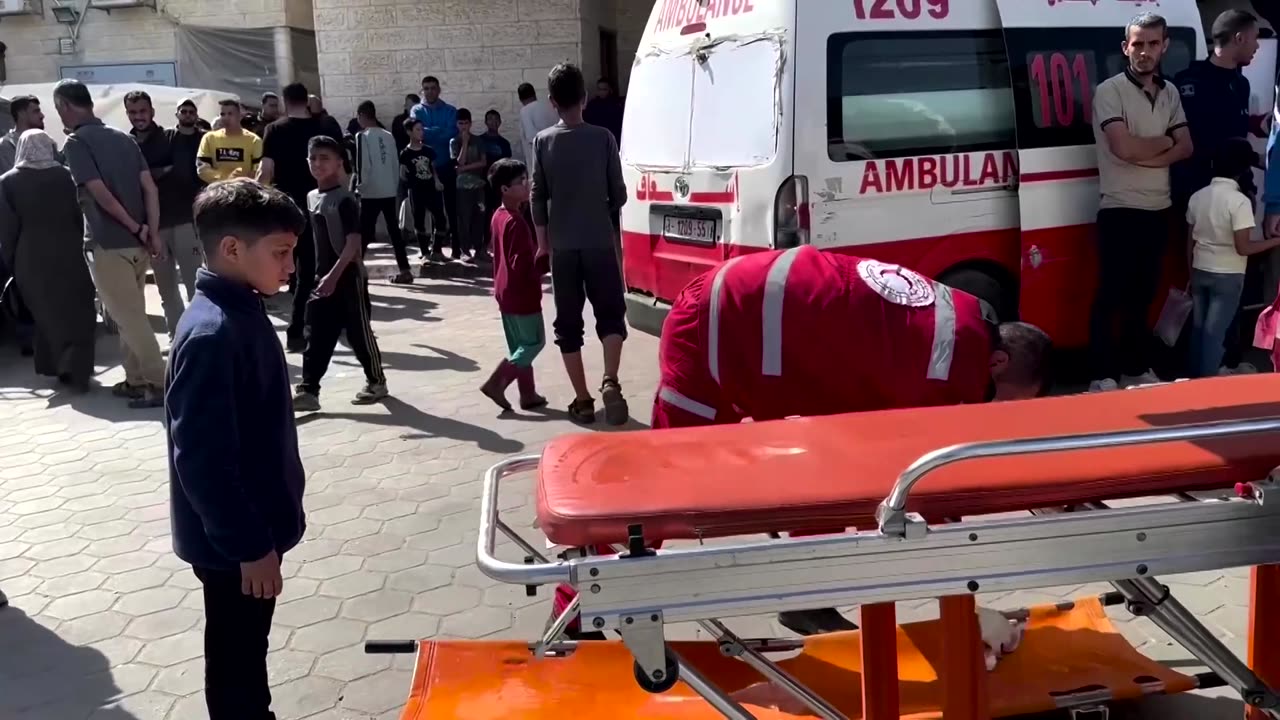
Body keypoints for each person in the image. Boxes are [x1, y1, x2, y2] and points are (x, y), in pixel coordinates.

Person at [552, 246, 1051, 638]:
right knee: (662, 484)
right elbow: (925, 482)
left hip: (737, 306)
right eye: (1002, 400)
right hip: (718, 329)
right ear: (999, 364)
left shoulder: (962, 314)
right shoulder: (951, 368)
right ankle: (574, 612)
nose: (989, 412)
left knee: (837, 471)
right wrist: (963, 595)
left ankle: (806, 597)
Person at [166, 179, 307, 720]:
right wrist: (250, 545)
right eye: (281, 253)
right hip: (235, 547)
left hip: (252, 531)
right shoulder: (212, 332)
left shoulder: (240, 306)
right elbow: (202, 460)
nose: (290, 266)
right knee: (236, 660)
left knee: (246, 652)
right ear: (231, 249)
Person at [1088, 12, 1193, 393]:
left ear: (1164, 46)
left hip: (1157, 209)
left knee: (1143, 296)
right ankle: (1101, 375)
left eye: (1152, 44)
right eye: (1137, 44)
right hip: (1118, 209)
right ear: (1125, 48)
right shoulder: (1109, 91)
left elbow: (1187, 148)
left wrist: (1145, 153)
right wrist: (1163, 142)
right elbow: (1122, 147)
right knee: (1110, 295)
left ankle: (1134, 368)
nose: (1144, 52)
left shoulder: (1170, 93)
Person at [56, 78, 167, 409]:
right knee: (128, 316)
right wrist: (152, 231)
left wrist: (136, 226)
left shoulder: (76, 143)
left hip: (108, 243)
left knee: (129, 319)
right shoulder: (123, 138)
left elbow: (99, 193)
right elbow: (150, 188)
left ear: (64, 105)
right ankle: (135, 380)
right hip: (138, 243)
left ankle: (163, 384)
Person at [531, 63, 630, 425]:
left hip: (562, 247)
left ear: (552, 102)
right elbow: (618, 195)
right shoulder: (603, 138)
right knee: (611, 315)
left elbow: (537, 197)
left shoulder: (543, 142)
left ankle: (583, 399)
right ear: (585, 98)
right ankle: (611, 380)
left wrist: (543, 244)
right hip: (600, 242)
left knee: (568, 326)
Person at [292, 136, 389, 411]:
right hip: (323, 279)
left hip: (347, 278)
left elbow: (352, 245)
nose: (318, 164)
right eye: (313, 158)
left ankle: (377, 381)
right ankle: (309, 390)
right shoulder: (312, 197)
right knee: (317, 334)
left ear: (338, 163)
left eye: (325, 158)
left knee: (359, 333)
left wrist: (333, 277)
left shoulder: (344, 200)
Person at [0, 130, 96, 392]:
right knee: (76, 310)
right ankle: (76, 366)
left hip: (30, 258)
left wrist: (11, 262)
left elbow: (7, 229)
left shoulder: (7, 182)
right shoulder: (67, 175)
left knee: (46, 314)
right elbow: (82, 216)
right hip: (71, 253)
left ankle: (61, 365)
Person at [259, 82, 345, 353]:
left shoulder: (274, 130)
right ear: (306, 101)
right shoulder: (324, 128)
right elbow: (342, 170)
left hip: (288, 209)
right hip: (324, 206)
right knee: (325, 268)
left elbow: (266, 172)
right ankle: (327, 323)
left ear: (285, 102)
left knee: (299, 272)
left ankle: (296, 332)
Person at [1187, 139, 1280, 378]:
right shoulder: (1239, 202)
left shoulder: (1197, 197)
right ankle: (1206, 382)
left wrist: (1191, 270)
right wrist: (1276, 241)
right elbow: (1243, 248)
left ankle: (1191, 378)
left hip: (1199, 270)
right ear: (1243, 170)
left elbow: (1191, 241)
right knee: (1214, 334)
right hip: (1227, 276)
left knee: (1199, 331)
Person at [126, 91, 204, 336]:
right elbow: (130, 181)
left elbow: (181, 173)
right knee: (166, 290)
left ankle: (202, 332)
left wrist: (146, 175)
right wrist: (158, 172)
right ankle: (177, 335)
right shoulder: (127, 144)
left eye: (143, 111)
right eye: (133, 112)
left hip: (182, 220)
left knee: (195, 284)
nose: (139, 116)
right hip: (152, 228)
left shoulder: (171, 137)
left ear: (152, 111)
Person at [480, 158, 548, 411]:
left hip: (504, 292)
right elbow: (521, 266)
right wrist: (543, 264)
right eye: (520, 182)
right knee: (534, 344)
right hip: (522, 294)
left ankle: (527, 394)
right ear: (504, 189)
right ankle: (498, 382)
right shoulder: (516, 222)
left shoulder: (499, 216)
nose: (526, 184)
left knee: (520, 347)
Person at [353, 101, 412, 282]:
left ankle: (354, 270)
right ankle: (404, 269)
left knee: (363, 232)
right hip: (388, 189)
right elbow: (395, 163)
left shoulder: (362, 136)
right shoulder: (388, 135)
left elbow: (363, 165)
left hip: (371, 191)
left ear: (361, 116)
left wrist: (359, 187)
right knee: (394, 231)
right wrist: (393, 185)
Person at [411, 77, 459, 249]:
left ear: (439, 89)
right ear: (422, 90)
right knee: (432, 208)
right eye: (426, 88)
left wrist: (430, 132)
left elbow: (452, 132)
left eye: (433, 88)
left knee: (452, 206)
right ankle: (435, 245)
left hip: (446, 164)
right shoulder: (416, 110)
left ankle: (456, 245)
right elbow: (419, 133)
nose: (429, 91)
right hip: (425, 166)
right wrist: (439, 130)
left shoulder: (450, 110)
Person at [400, 118, 448, 267]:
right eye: (417, 129)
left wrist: (437, 181)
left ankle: (437, 250)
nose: (421, 132)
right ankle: (424, 252)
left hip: (431, 189)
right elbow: (402, 173)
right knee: (419, 220)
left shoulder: (428, 150)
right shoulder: (405, 153)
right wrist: (409, 183)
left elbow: (432, 168)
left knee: (440, 219)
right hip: (416, 190)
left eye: (422, 129)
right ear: (409, 132)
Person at [450, 109, 488, 262]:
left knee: (480, 217)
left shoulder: (478, 141)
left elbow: (483, 162)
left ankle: (479, 249)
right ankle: (465, 250)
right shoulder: (454, 142)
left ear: (470, 123)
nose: (464, 126)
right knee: (464, 219)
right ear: (457, 124)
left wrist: (464, 168)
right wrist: (464, 143)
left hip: (478, 186)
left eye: (466, 123)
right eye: (461, 123)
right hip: (462, 188)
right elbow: (458, 161)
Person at [197, 99, 263, 184]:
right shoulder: (209, 138)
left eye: (230, 114)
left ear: (239, 116)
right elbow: (202, 168)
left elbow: (258, 170)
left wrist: (241, 180)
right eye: (222, 114)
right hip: (218, 190)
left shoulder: (254, 140)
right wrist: (225, 179)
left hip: (244, 189)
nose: (226, 118)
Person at [481, 109, 513, 249]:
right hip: (483, 183)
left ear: (500, 122)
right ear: (485, 122)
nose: (493, 122)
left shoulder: (504, 143)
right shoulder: (479, 141)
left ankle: (500, 240)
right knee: (484, 213)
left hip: (499, 184)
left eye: (496, 119)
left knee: (500, 212)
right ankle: (485, 242)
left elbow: (507, 164)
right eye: (490, 119)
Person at [0, 95, 49, 174]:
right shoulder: (6, 146)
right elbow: (13, 179)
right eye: (36, 111)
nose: (42, 115)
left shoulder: (44, 142)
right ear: (21, 114)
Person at [518, 82, 558, 164]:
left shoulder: (525, 111)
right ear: (534, 93)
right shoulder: (549, 107)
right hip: (555, 154)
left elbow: (531, 137)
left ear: (520, 98)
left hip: (539, 160)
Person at [584, 77, 624, 144]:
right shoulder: (592, 105)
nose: (601, 92)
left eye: (604, 89)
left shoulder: (616, 105)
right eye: (599, 89)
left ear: (610, 90)